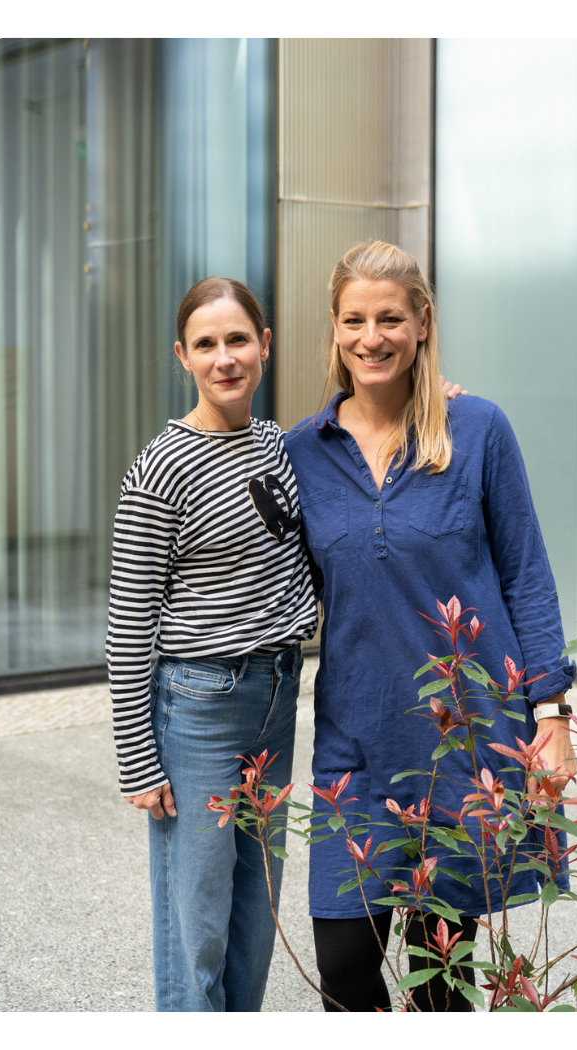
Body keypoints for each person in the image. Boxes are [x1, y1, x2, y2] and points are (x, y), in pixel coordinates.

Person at [106, 271, 466, 1013]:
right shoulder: (159, 469)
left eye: (237, 339)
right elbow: (128, 622)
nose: (224, 358)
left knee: (255, 912)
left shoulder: (281, 446)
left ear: (264, 346)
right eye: (206, 344)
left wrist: (430, 399)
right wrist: (137, 759)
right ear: (183, 356)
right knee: (196, 920)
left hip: (274, 700)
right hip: (199, 705)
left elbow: (350, 478)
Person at [284, 240, 577, 1014]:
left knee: (442, 969)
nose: (370, 337)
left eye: (390, 318)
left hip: (461, 740)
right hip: (355, 735)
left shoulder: (478, 429)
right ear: (335, 328)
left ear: (421, 324)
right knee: (345, 961)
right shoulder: (300, 453)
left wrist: (551, 713)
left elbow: (525, 573)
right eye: (354, 319)